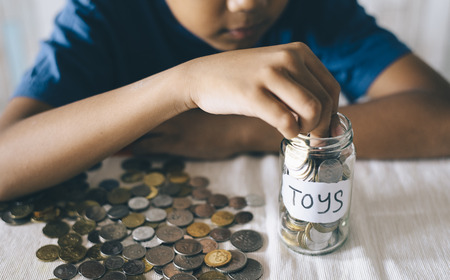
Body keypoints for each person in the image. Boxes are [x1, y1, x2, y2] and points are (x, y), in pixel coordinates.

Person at [0, 0, 449, 201]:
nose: (247, 5)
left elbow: (441, 118)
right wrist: (183, 86)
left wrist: (241, 128)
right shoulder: (98, 17)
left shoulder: (315, 10)